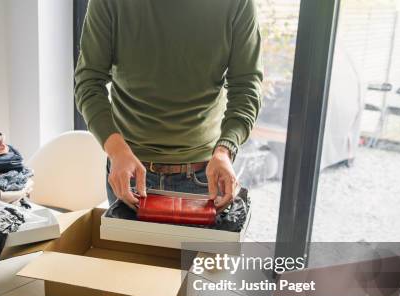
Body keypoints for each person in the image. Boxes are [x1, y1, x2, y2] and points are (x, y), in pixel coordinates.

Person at [75, 0, 263, 209]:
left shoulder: (237, 3)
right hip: (129, 169)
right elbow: (88, 83)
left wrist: (226, 148)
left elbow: (247, 87)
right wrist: (116, 150)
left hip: (205, 173)